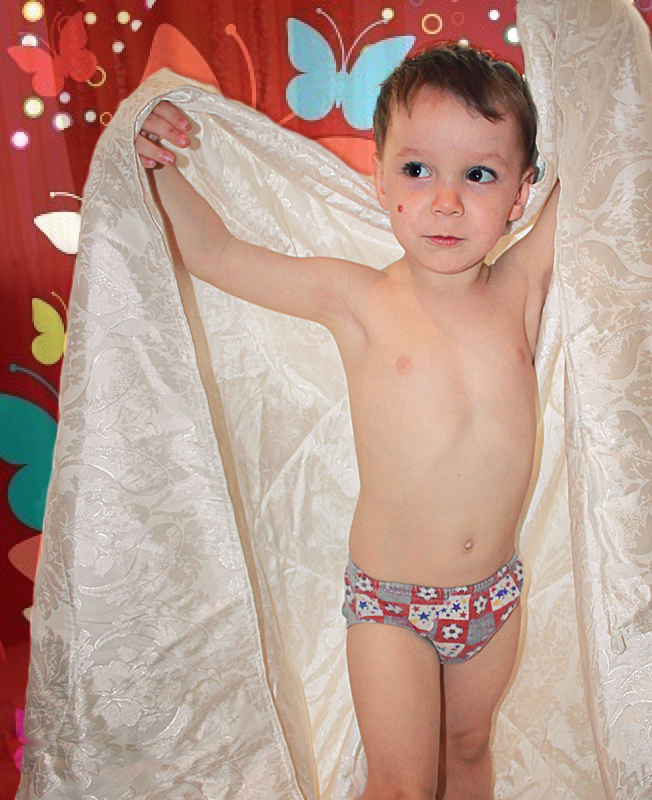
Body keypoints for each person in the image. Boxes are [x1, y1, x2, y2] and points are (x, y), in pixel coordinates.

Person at [135, 43, 559, 799]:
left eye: (480, 175)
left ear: (521, 193)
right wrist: (157, 167)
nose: (446, 201)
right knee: (401, 785)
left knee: (467, 750)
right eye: (418, 169)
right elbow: (217, 254)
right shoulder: (359, 298)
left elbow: (605, 163)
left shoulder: (519, 287)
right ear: (380, 176)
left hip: (493, 597)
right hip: (391, 606)